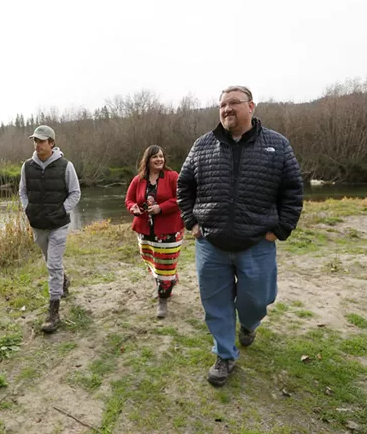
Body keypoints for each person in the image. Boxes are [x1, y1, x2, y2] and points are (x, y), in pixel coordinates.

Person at [177, 86, 303, 386]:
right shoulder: (202, 145)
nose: (226, 109)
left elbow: (293, 191)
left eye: (233, 103)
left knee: (258, 299)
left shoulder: (277, 144)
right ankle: (225, 353)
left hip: (257, 242)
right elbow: (184, 186)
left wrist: (280, 229)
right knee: (215, 303)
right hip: (211, 243)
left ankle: (248, 323)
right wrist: (191, 223)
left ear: (251, 106)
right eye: (222, 104)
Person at [19, 125, 81, 333]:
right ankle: (63, 280)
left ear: (51, 143)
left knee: (53, 264)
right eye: (35, 141)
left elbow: (75, 193)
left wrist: (62, 210)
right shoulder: (27, 167)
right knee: (50, 260)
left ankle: (53, 312)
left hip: (59, 224)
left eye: (42, 141)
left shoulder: (65, 166)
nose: (38, 144)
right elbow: (23, 192)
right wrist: (28, 209)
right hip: (38, 225)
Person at [125, 145, 184, 318]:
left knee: (165, 265)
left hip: (169, 230)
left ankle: (163, 300)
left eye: (161, 156)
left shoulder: (173, 177)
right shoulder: (138, 179)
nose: (159, 159)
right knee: (152, 261)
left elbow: (181, 197)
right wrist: (133, 208)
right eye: (155, 157)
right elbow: (129, 200)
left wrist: (161, 208)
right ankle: (168, 281)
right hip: (145, 230)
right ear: (147, 160)